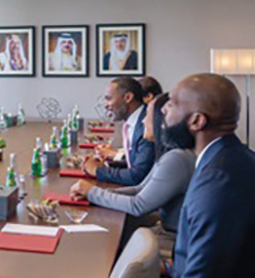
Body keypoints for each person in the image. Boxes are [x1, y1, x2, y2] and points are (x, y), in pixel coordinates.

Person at [156, 73, 255, 278]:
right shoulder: (233, 158)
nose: (163, 110)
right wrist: (164, 269)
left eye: (172, 103)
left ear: (197, 121)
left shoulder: (219, 181)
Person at [70, 93, 195, 249]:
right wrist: (95, 194)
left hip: (172, 238)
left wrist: (93, 193)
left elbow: (138, 205)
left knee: (102, 242)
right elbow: (139, 189)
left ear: (162, 121)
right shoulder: (168, 153)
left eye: (147, 115)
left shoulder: (176, 158)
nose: (143, 121)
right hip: (162, 228)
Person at [83, 77, 155, 186]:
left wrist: (98, 171)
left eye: (109, 99)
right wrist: (105, 166)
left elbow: (137, 176)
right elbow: (134, 161)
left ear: (128, 97)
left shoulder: (147, 125)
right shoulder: (134, 121)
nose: (106, 105)